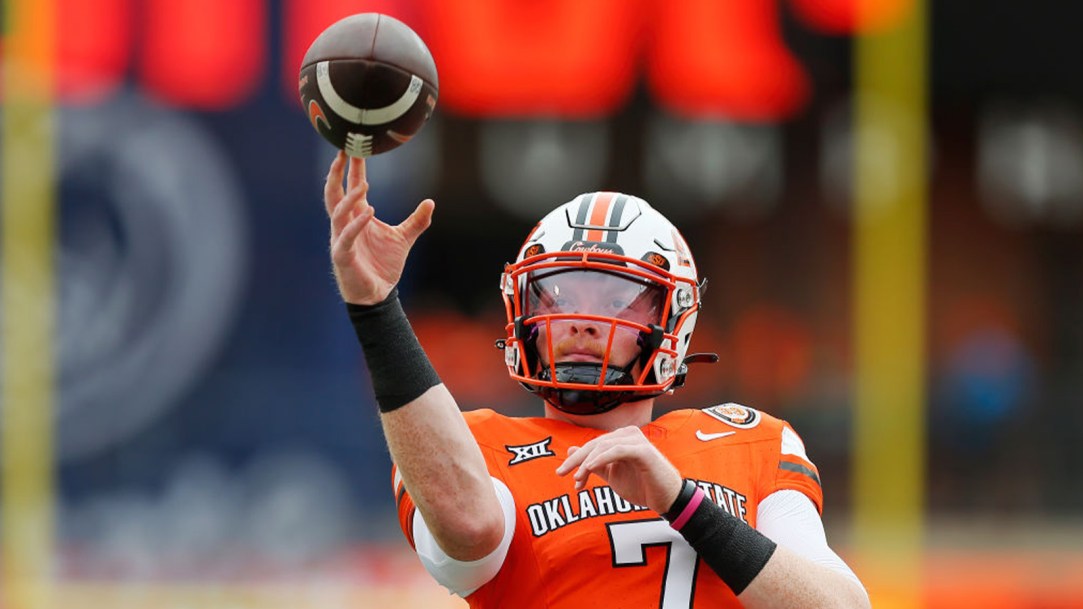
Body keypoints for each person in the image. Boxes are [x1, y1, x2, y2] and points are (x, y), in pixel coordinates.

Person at [324, 151, 870, 608]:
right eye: (558, 296)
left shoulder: (750, 442)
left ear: (673, 323)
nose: (582, 321)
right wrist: (377, 308)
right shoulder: (469, 446)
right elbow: (469, 530)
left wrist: (682, 503)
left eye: (616, 301)